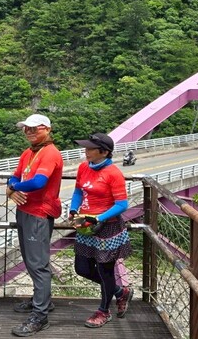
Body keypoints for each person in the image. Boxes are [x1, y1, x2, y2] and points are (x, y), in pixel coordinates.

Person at [7, 114, 64, 337]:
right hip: (24, 211)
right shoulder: (28, 152)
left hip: (39, 213)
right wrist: (13, 185)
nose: (29, 131)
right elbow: (15, 176)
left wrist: (13, 188)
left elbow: (39, 182)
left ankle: (40, 316)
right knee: (31, 261)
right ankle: (42, 301)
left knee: (38, 265)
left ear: (47, 129)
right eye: (26, 129)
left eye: (34, 128)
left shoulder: (50, 153)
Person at [69, 133, 134, 328]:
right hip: (86, 225)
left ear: (104, 152)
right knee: (82, 268)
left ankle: (104, 311)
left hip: (108, 227)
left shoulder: (113, 173)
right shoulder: (83, 167)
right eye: (86, 148)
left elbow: (122, 204)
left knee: (105, 271)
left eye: (90, 148)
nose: (85, 151)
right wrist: (73, 209)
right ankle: (120, 292)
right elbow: (78, 191)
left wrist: (99, 218)